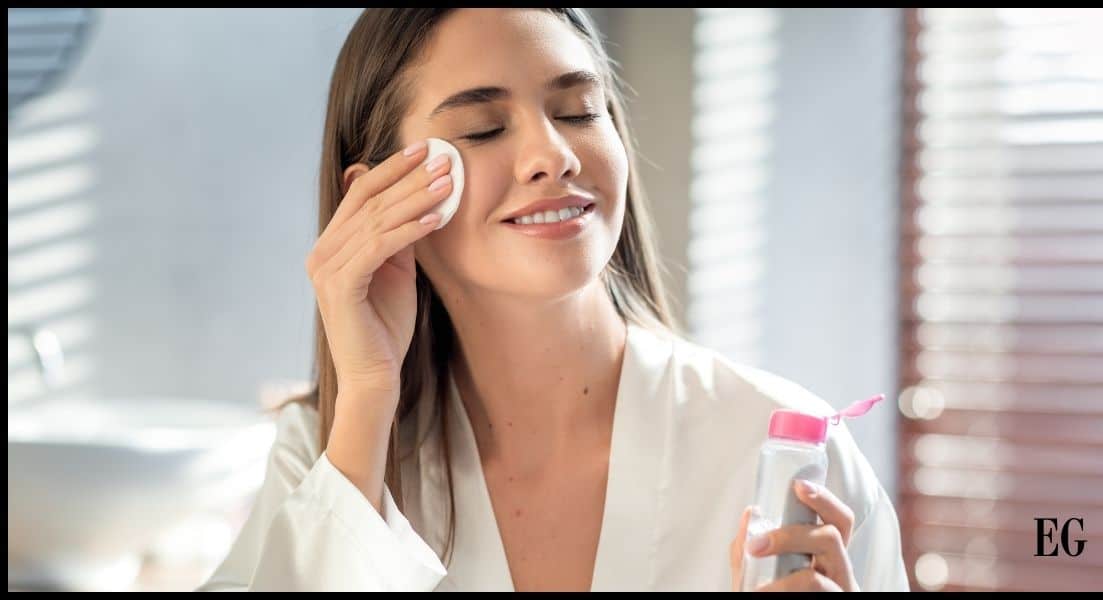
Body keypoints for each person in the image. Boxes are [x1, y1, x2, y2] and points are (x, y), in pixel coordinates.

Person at [197, 8, 910, 592]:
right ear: (376, 197)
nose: (554, 154)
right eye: (482, 129)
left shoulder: (782, 456)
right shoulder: (326, 450)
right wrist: (368, 398)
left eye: (578, 111)